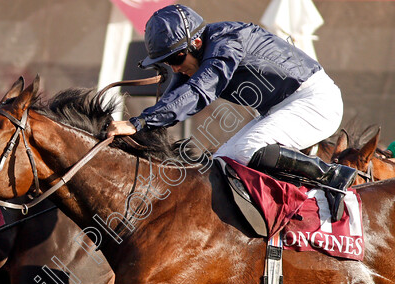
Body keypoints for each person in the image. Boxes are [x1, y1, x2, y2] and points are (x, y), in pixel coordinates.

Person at [107, 4, 357, 221]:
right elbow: (176, 96)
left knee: (246, 149)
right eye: (167, 62)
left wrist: (138, 123)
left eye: (177, 58)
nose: (175, 67)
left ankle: (333, 176)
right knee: (222, 163)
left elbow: (198, 91)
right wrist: (136, 127)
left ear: (196, 43)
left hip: (316, 100)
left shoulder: (227, 43)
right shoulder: (197, 54)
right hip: (283, 106)